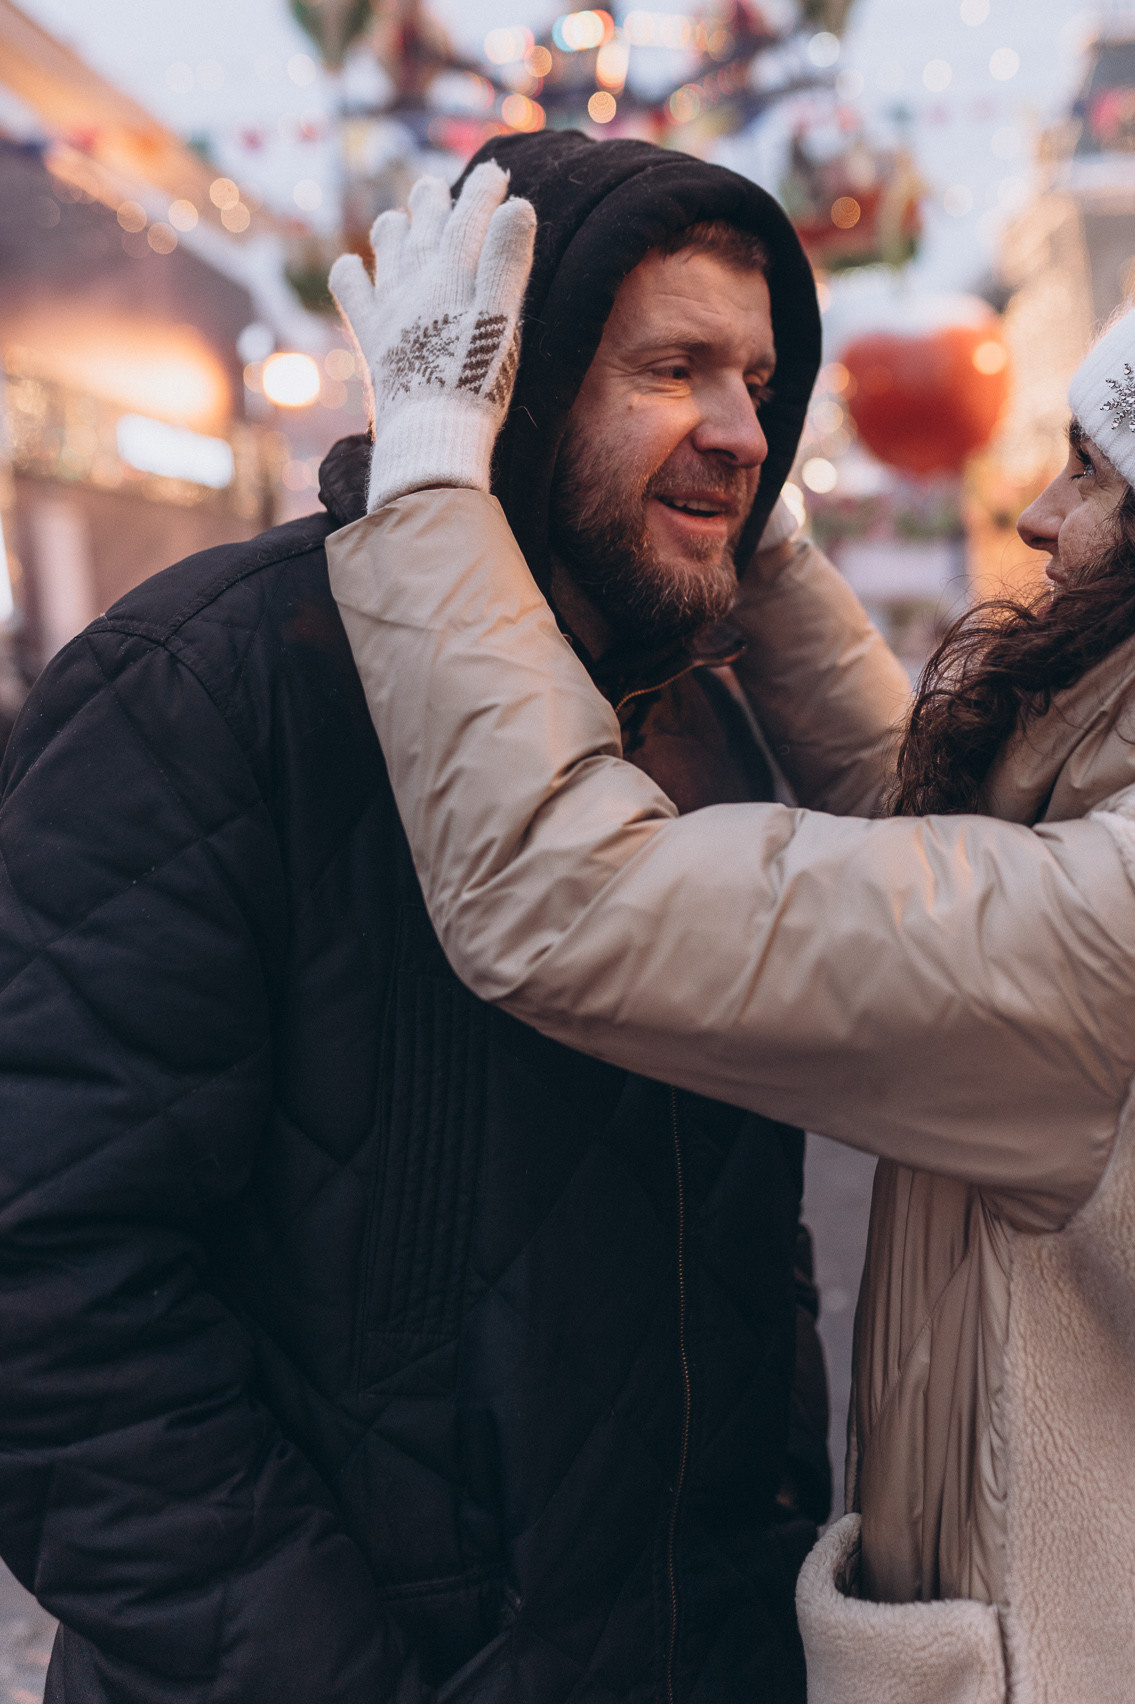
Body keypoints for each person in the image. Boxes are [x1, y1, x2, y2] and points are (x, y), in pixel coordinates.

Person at [325, 169, 1135, 1703]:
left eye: (1095, 477)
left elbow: (569, 895)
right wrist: (764, 552)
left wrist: (427, 490)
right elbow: (952, 857)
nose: (1039, 516)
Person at [0, 132, 852, 1704]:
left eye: (760, 378)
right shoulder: (206, 689)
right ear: (508, 389)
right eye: (673, 368)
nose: (743, 432)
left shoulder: (702, 721)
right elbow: (53, 1291)